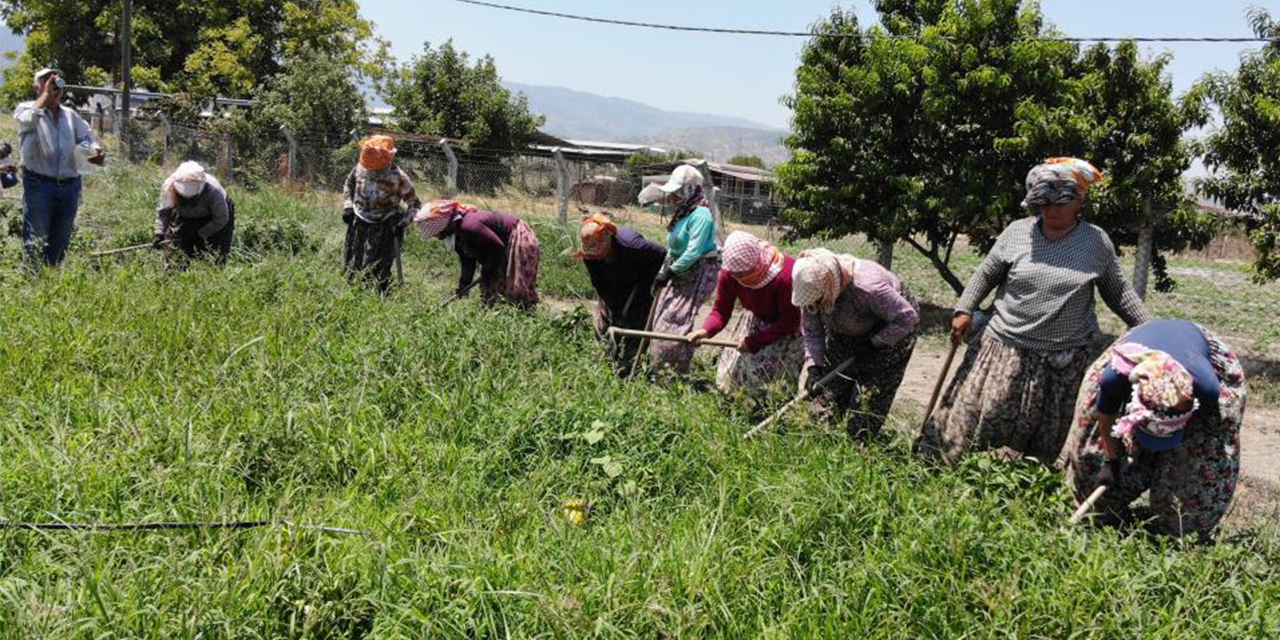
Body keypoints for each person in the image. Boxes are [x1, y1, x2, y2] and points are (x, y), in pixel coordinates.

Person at [917, 158, 1152, 465]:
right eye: (1042, 203)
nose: (1051, 211)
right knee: (976, 417)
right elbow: (986, 274)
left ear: (1080, 200)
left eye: (1060, 203)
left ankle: (1025, 487)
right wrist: (964, 309)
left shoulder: (1095, 242)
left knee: (1044, 434)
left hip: (1062, 357)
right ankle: (942, 467)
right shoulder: (1018, 232)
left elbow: (1119, 293)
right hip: (1004, 346)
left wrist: (1152, 330)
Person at [1066, 320, 1244, 538]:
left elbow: (1205, 431)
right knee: (1092, 455)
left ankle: (1177, 532)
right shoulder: (1114, 377)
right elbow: (1106, 415)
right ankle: (1103, 511)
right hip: (1140, 348)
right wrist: (1111, 461)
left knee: (1200, 464)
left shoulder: (1207, 390)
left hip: (1196, 358)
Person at [791, 248, 920, 438]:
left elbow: (907, 318)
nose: (815, 307)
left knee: (866, 404)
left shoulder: (868, 288)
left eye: (818, 301)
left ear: (829, 288)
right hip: (845, 335)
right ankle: (821, 441)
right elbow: (812, 329)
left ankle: (858, 445)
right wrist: (814, 366)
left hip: (890, 334)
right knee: (824, 398)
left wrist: (875, 342)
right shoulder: (811, 289)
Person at [687, 231, 803, 394]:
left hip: (785, 328)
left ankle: (768, 407)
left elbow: (790, 322)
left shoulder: (784, 277)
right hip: (757, 319)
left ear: (756, 262)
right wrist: (705, 331)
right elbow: (720, 310)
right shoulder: (730, 273)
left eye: (742, 274)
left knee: (771, 380)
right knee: (735, 374)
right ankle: (736, 403)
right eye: (733, 274)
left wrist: (755, 341)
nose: (737, 278)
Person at [13, 68, 105, 267]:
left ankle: (51, 276)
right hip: (39, 184)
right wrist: (46, 95)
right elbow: (27, 121)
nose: (54, 85)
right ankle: (32, 279)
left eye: (55, 81)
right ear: (37, 87)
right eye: (46, 81)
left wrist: (96, 152)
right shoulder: (26, 108)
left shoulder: (70, 115)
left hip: (69, 185)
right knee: (36, 236)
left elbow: (86, 139)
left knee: (61, 237)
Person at [647, 164, 721, 374]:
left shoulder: (701, 215)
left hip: (697, 271)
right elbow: (673, 249)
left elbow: (694, 251)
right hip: (679, 269)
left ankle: (673, 373)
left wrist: (669, 272)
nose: (674, 197)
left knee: (675, 322)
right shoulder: (682, 213)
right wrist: (662, 272)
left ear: (690, 190)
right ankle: (656, 369)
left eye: (679, 192)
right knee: (660, 316)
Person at [578, 213, 667, 373]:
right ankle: (603, 365)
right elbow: (597, 281)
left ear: (608, 241)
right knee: (606, 322)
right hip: (613, 283)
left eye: (599, 250)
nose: (595, 255)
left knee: (635, 326)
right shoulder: (589, 253)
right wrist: (612, 304)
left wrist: (644, 285)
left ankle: (630, 367)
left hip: (638, 285)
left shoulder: (632, 245)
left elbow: (661, 254)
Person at [414, 199, 541, 308]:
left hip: (517, 237)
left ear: (441, 226)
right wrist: (463, 286)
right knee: (488, 291)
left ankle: (527, 316)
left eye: (434, 233)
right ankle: (494, 319)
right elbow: (467, 261)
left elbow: (497, 247)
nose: (434, 236)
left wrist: (488, 269)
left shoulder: (469, 226)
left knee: (516, 289)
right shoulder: (458, 234)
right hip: (498, 248)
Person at [342, 135, 420, 293]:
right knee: (353, 262)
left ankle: (379, 295)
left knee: (376, 266)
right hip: (359, 222)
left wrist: (402, 224)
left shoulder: (399, 177)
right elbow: (348, 185)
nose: (372, 171)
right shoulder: (360, 167)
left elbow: (415, 205)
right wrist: (348, 206)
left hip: (385, 225)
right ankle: (352, 293)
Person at [153, 161, 234, 261]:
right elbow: (164, 213)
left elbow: (221, 217)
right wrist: (159, 233)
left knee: (216, 254)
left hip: (214, 217)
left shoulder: (214, 191)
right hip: (185, 217)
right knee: (177, 253)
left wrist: (201, 234)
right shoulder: (169, 187)